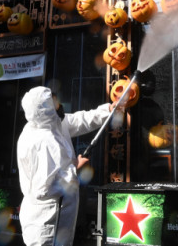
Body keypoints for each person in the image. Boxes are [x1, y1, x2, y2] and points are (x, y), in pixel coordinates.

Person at [17, 86, 116, 246]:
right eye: (55, 102)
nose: (60, 104)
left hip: (59, 215)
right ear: (46, 109)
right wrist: (76, 168)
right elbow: (45, 188)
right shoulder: (43, 141)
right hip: (47, 220)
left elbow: (79, 120)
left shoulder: (50, 123)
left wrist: (108, 110)